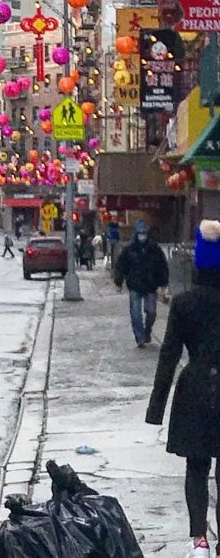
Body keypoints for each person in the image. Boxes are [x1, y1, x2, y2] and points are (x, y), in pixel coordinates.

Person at [146, 220, 220, 558]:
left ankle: (199, 541)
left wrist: (156, 409)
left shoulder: (184, 303)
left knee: (196, 467)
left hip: (195, 389)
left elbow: (169, 354)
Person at [114, 219, 169, 348]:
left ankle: (147, 331)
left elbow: (162, 266)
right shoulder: (129, 249)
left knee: (151, 312)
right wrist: (119, 281)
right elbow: (121, 266)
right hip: (135, 285)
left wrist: (163, 283)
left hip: (150, 286)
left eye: (144, 232)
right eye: (140, 233)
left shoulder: (154, 249)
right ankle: (140, 338)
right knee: (136, 314)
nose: (142, 235)